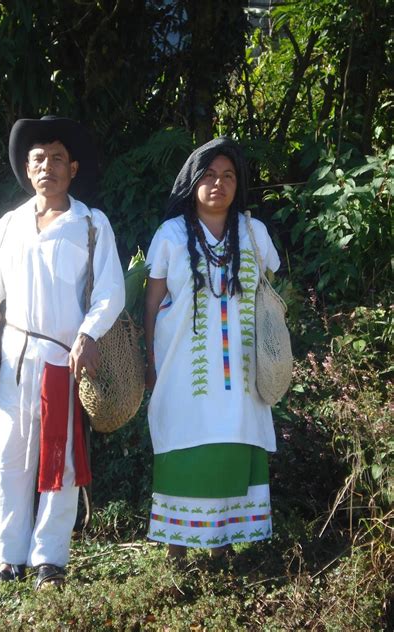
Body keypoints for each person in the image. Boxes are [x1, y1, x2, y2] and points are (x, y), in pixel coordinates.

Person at [0, 116, 125, 588]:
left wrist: (89, 333)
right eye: (38, 159)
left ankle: (50, 562)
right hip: (15, 361)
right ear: (27, 168)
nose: (48, 167)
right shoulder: (11, 224)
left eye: (58, 158)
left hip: (65, 359)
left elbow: (111, 291)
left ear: (73, 168)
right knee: (9, 457)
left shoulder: (91, 223)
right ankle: (9, 559)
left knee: (63, 462)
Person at [144, 137, 280, 562]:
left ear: (238, 184)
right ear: (192, 182)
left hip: (242, 371)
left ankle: (221, 544)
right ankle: (177, 548)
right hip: (181, 369)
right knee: (182, 439)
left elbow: (274, 286)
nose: (218, 184)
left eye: (228, 176)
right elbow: (151, 304)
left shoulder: (253, 232)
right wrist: (149, 360)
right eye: (208, 175)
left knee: (234, 438)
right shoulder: (170, 234)